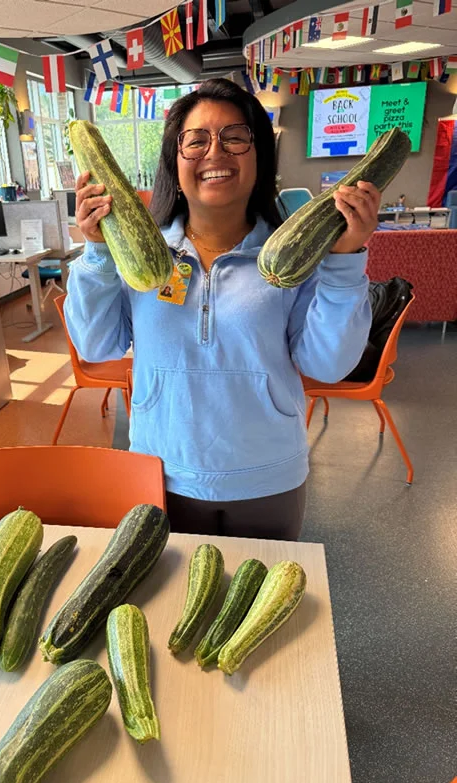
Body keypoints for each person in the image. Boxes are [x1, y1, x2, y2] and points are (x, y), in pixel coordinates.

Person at [64, 79, 379, 540]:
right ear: (174, 159)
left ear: (259, 155)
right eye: (196, 141)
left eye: (235, 137)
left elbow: (327, 365)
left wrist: (345, 261)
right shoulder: (142, 255)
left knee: (258, 609)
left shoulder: (292, 256)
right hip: (160, 471)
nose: (216, 153)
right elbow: (95, 344)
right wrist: (97, 254)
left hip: (267, 478)